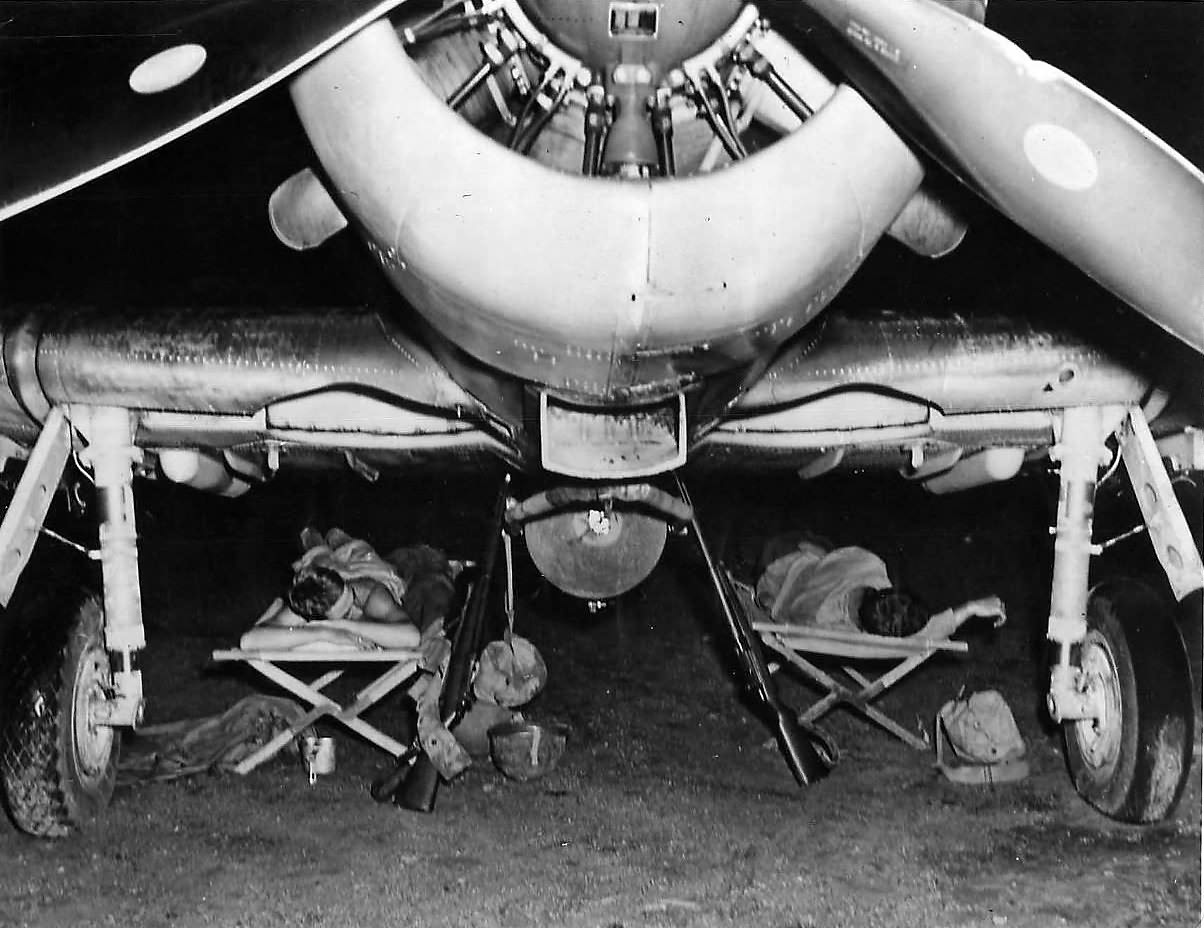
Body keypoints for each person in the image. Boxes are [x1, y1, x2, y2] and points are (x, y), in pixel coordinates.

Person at [755, 532, 1005, 637]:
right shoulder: (871, 566)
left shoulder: (821, 619)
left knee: (791, 543)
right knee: (813, 543)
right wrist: (969, 608)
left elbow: (777, 602)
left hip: (781, 571)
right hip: (817, 563)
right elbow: (928, 631)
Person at [239, 528, 422, 651]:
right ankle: (317, 542)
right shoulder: (313, 601)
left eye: (349, 601)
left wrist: (340, 625)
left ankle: (338, 539)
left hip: (374, 573)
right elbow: (249, 640)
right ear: (321, 614)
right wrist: (324, 632)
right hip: (339, 576)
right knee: (319, 562)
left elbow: (411, 637)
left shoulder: (370, 594)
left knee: (357, 552)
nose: (353, 605)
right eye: (347, 609)